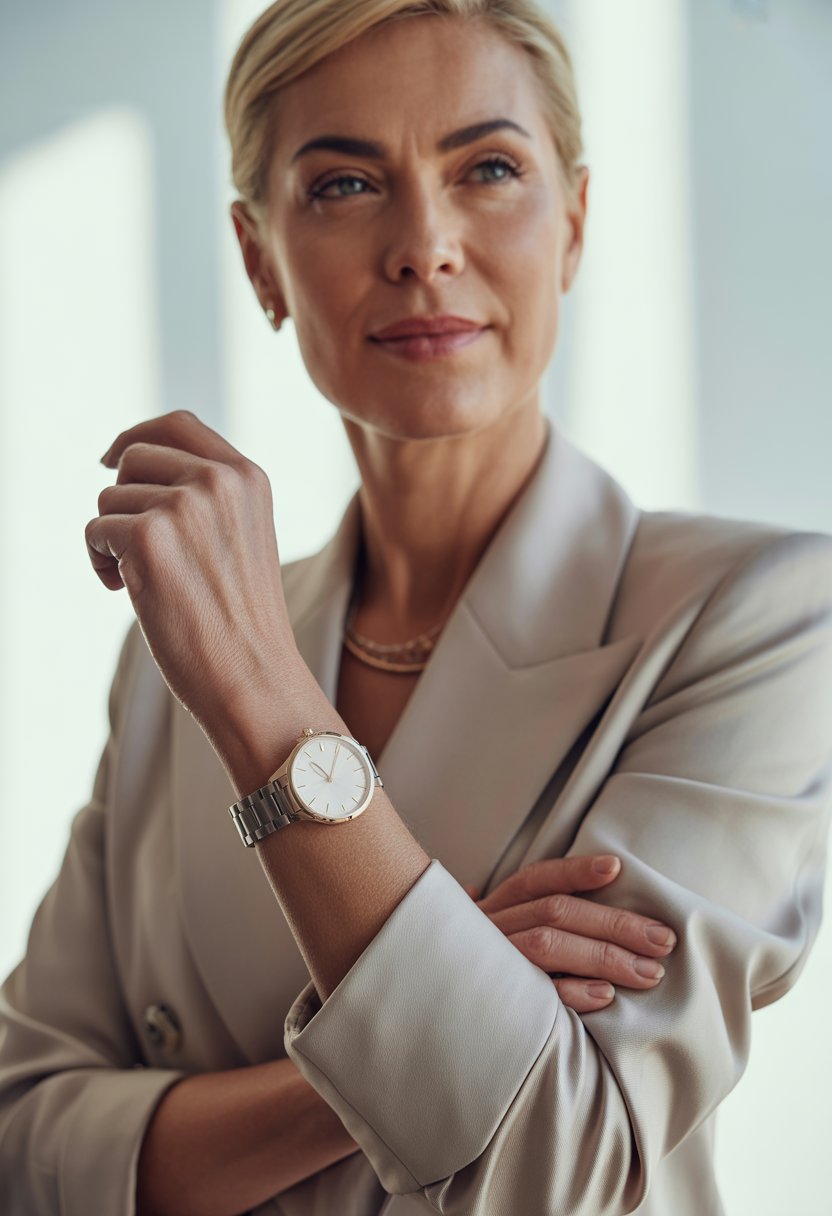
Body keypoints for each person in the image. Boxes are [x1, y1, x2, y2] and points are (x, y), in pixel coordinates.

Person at [1, 1, 831, 1213]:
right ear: (257, 259)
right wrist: (432, 1006)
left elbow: (560, 1173)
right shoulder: (168, 659)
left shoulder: (758, 619)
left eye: (488, 167)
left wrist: (263, 700)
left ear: (575, 224)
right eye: (343, 185)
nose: (424, 243)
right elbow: (24, 1137)